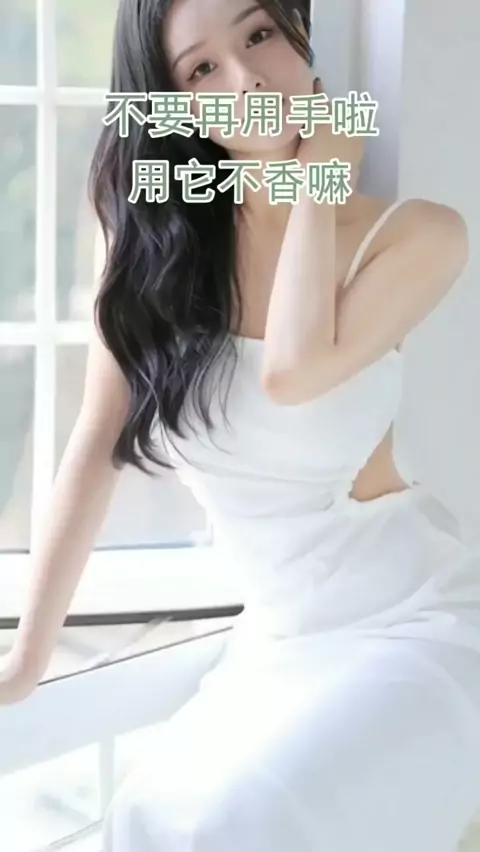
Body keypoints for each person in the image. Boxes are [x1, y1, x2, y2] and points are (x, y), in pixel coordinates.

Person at [2, 0, 480, 848]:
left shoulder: (416, 235)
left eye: (258, 35)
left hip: (418, 625)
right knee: (147, 825)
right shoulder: (155, 254)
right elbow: (95, 444)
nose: (248, 79)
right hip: (279, 645)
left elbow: (293, 371)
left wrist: (318, 179)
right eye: (202, 69)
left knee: (244, 823)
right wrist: (27, 660)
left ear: (301, 39)